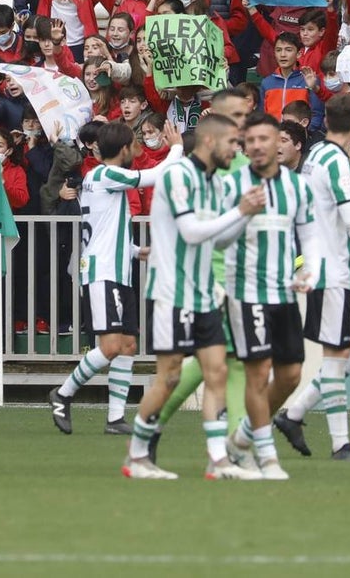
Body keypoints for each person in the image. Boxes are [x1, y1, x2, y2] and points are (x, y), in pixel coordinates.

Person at [125, 114, 265, 480]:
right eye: (232, 143)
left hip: (204, 293)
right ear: (209, 142)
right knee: (168, 378)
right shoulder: (177, 176)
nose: (237, 150)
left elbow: (216, 239)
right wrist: (240, 211)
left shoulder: (213, 184)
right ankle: (137, 455)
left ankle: (218, 460)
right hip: (173, 292)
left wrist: (246, 219)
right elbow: (190, 232)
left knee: (216, 371)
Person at [274, 93, 350, 462]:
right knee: (338, 357)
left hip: (338, 271)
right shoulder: (336, 161)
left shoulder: (317, 158)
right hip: (332, 273)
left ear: (326, 121)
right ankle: (341, 444)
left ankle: (293, 414)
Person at [49, 120, 182, 436]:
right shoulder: (106, 174)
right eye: (132, 145)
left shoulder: (98, 178)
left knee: (127, 344)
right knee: (110, 346)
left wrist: (136, 251)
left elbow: (104, 228)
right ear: (124, 150)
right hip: (102, 272)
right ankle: (63, 393)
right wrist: (176, 146)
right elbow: (156, 176)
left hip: (116, 269)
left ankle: (115, 418)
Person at [220, 113, 321, 481]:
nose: (261, 145)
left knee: (291, 375)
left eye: (268, 138)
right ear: (245, 145)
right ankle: (265, 456)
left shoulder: (297, 187)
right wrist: (241, 214)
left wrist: (310, 269)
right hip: (246, 292)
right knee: (258, 373)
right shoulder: (233, 186)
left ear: (279, 142)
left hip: (284, 291)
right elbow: (217, 239)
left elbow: (309, 233)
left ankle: (242, 438)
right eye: (253, 140)